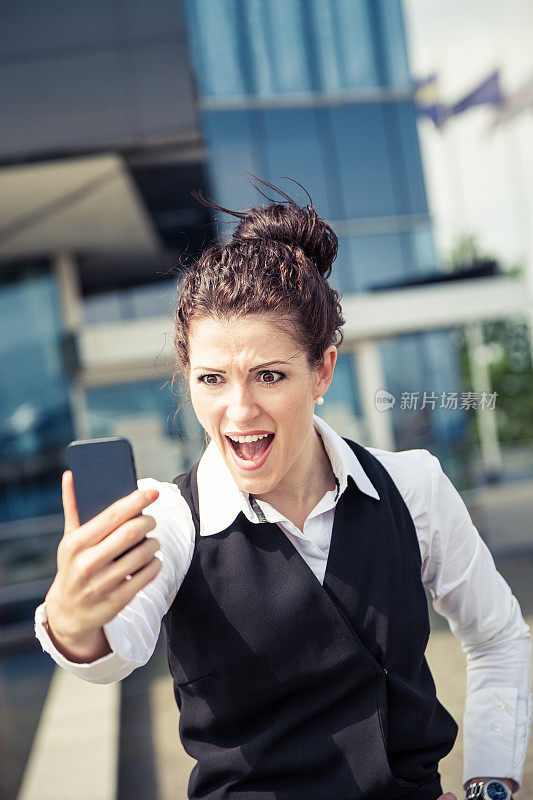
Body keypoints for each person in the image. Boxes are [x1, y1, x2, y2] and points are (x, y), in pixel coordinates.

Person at [35, 180, 531, 800]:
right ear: (187, 377)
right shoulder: (168, 519)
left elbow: (499, 635)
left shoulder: (414, 487)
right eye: (212, 378)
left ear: (322, 370)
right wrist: (74, 619)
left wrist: (491, 784)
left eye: (269, 375)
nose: (239, 411)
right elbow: (113, 653)